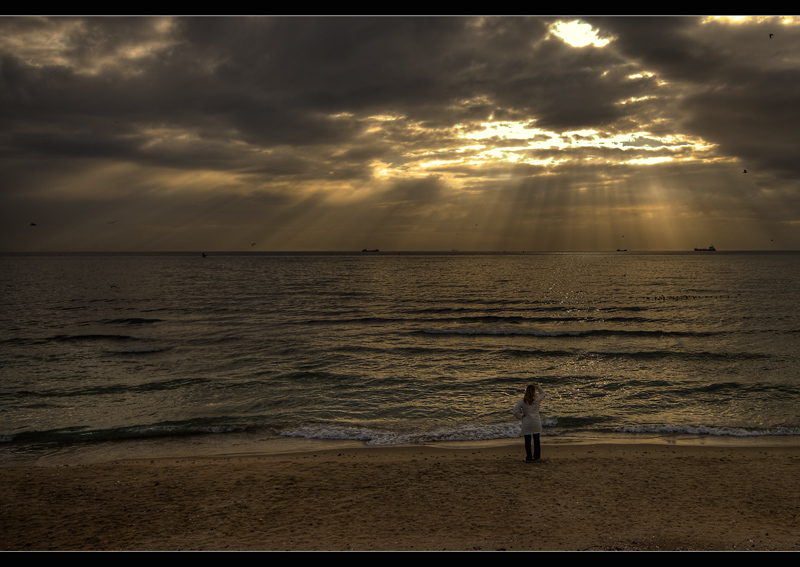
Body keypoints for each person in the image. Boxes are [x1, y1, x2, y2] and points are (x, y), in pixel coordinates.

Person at [512, 383, 545, 462]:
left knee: (528, 441)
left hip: (527, 422)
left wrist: (520, 417)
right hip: (536, 421)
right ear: (534, 392)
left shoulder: (522, 401)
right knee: (536, 440)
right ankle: (537, 457)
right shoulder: (536, 400)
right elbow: (543, 394)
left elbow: (515, 412)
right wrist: (538, 387)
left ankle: (529, 457)